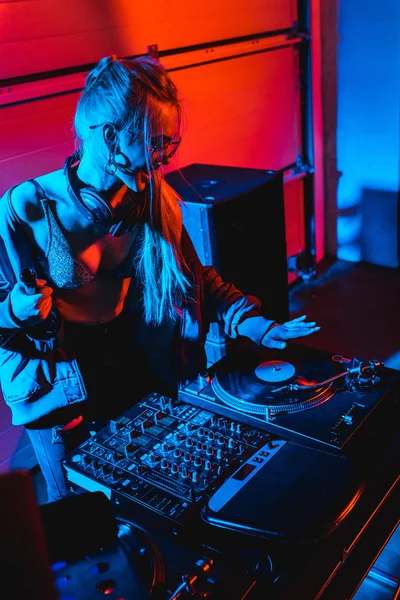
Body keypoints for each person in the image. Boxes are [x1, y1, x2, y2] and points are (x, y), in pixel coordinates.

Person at [0, 55, 320, 503]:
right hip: (65, 388)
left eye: (170, 144)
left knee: (154, 498)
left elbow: (197, 278)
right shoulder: (26, 210)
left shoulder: (153, 200)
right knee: (81, 514)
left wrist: (260, 326)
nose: (165, 157)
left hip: (135, 367)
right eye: (156, 143)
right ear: (111, 136)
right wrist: (14, 310)